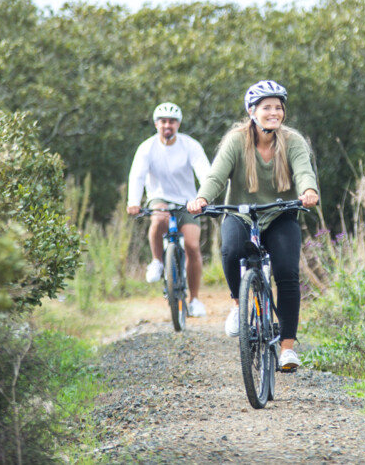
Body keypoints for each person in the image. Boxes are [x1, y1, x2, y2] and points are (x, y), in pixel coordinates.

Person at [187, 80, 319, 370]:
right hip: (241, 213)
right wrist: (202, 197)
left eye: (278, 107)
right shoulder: (236, 141)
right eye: (267, 107)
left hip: (280, 213)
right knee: (231, 249)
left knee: (286, 273)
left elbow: (304, 171)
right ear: (252, 111)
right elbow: (216, 176)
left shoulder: (293, 141)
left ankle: (287, 349)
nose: (274, 112)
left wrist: (308, 191)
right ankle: (238, 303)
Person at [127, 102, 211, 318]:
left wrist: (205, 197)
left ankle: (195, 300)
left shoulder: (190, 145)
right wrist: (133, 201)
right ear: (156, 124)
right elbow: (136, 176)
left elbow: (204, 172)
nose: (167, 125)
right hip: (159, 197)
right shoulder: (147, 148)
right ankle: (157, 261)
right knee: (159, 217)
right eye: (163, 121)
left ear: (178, 124)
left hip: (188, 201)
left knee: (192, 246)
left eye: (172, 121)